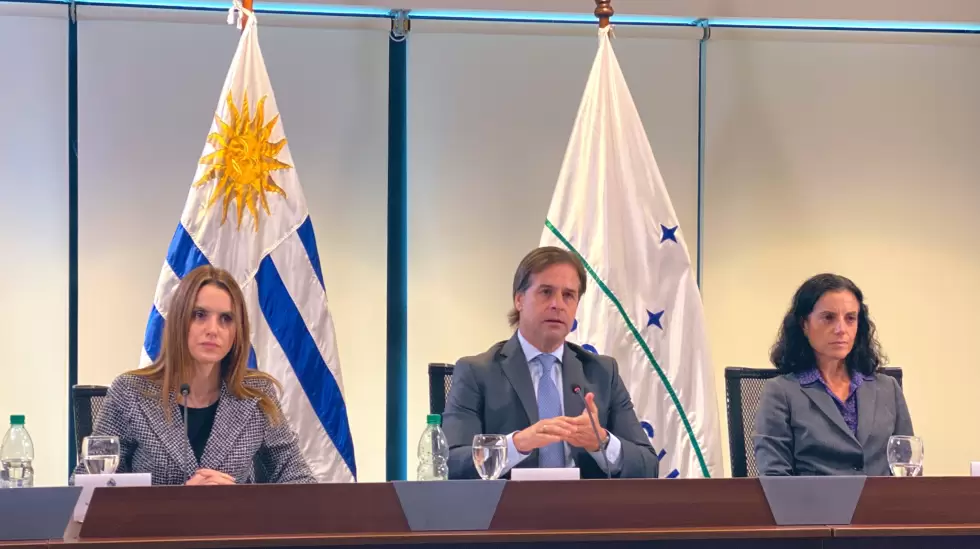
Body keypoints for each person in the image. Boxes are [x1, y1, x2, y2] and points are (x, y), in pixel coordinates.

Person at [74, 265, 315, 485]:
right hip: (157, 532)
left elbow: (302, 482)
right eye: (199, 315)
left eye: (226, 319)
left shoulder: (256, 396)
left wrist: (240, 501)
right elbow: (83, 486)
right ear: (180, 321)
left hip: (230, 531)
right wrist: (179, 503)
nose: (213, 330)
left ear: (237, 331)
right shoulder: (130, 392)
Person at [442, 246, 659, 479]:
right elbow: (450, 463)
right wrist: (517, 444)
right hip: (508, 511)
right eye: (546, 292)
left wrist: (602, 443)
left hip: (586, 511)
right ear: (519, 299)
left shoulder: (602, 374)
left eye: (568, 295)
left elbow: (647, 465)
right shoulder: (477, 373)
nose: (557, 304)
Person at [753, 273, 914, 476]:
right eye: (828, 318)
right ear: (804, 324)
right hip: (812, 506)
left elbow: (909, 471)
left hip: (881, 506)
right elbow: (774, 476)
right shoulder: (781, 392)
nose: (841, 329)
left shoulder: (888, 388)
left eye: (850, 319)